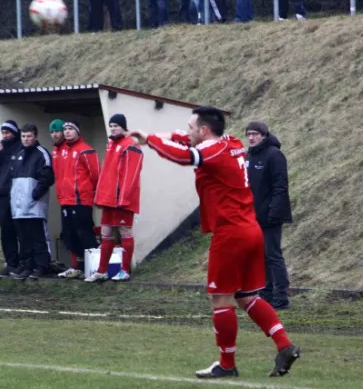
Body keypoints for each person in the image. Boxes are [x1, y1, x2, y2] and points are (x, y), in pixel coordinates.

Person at [128, 107, 299, 379]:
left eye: (191, 127)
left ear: (204, 131)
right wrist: (150, 135)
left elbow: (185, 156)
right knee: (247, 296)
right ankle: (285, 345)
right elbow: (184, 139)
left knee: (221, 300)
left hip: (230, 233)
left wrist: (150, 141)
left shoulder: (211, 152)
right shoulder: (231, 143)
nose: (187, 132)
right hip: (250, 229)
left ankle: (227, 364)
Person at [86, 114, 143, 282]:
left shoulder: (131, 146)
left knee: (125, 231)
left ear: (124, 127)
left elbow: (131, 175)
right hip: (108, 198)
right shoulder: (111, 144)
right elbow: (106, 173)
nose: (112, 128)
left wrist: (123, 198)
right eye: (111, 125)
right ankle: (102, 271)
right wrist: (100, 195)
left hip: (121, 199)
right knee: (106, 233)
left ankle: (125, 270)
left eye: (116, 125)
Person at [245, 121, 293, 310]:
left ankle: (281, 296)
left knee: (273, 255)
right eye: (248, 134)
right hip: (253, 215)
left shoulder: (275, 155)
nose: (251, 137)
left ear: (264, 135)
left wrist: (274, 212)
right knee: (260, 256)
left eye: (255, 134)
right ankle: (266, 293)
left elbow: (281, 186)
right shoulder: (248, 155)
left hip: (272, 215)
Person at [54, 121, 100, 279]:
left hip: (81, 200)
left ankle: (94, 267)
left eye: (70, 129)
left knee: (85, 233)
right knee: (69, 234)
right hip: (66, 200)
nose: (66, 132)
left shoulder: (86, 150)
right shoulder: (63, 151)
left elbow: (95, 174)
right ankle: (77, 266)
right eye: (65, 129)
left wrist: (91, 192)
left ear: (77, 131)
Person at [10, 124, 55, 280]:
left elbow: (47, 176)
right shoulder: (18, 154)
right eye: (23, 136)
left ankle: (43, 266)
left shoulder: (42, 154)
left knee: (39, 237)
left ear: (35, 136)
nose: (26, 139)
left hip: (34, 205)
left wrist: (35, 194)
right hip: (19, 206)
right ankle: (28, 266)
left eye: (29, 136)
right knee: (24, 239)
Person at [0, 120, 22, 277]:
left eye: (8, 132)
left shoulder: (21, 147)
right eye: (3, 133)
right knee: (6, 231)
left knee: (20, 230)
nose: (5, 135)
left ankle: (24, 262)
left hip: (17, 194)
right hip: (2, 195)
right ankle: (11, 263)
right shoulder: (0, 148)